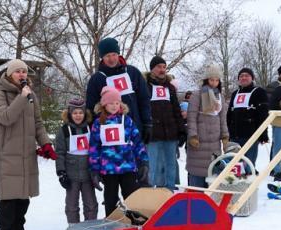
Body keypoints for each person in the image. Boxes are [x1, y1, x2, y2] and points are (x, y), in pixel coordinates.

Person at [0, 59, 55, 230]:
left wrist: (45, 143)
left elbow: (37, 122)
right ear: (10, 74)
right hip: (8, 153)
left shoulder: (31, 95)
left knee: (24, 197)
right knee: (9, 198)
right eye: (18, 71)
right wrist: (21, 97)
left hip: (26, 153)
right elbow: (5, 118)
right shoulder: (0, 94)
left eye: (24, 72)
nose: (22, 75)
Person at [89, 86, 149, 216]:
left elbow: (137, 141)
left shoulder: (126, 120)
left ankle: (134, 222)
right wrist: (94, 169)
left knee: (131, 197)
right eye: (111, 103)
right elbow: (94, 147)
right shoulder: (99, 123)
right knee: (110, 199)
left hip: (127, 167)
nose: (114, 106)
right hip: (109, 169)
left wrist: (144, 161)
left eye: (117, 103)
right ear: (104, 104)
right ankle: (111, 223)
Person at [84, 37, 152, 143]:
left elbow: (144, 99)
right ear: (102, 57)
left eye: (114, 55)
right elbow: (91, 107)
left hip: (135, 130)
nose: (111, 59)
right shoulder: (97, 79)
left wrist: (147, 123)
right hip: (110, 135)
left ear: (118, 54)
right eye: (107, 56)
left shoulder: (132, 72)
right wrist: (95, 130)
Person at [143, 56, 186, 191]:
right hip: (153, 135)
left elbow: (177, 111)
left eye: (164, 67)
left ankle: (169, 193)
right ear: (152, 69)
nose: (162, 70)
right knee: (152, 166)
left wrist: (181, 131)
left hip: (170, 135)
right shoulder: (145, 86)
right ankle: (150, 195)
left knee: (170, 166)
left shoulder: (170, 88)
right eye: (158, 67)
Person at [55, 98, 98, 225]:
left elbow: (96, 149)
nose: (78, 115)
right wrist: (61, 172)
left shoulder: (91, 128)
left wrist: (97, 170)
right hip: (71, 175)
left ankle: (90, 227)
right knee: (71, 204)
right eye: (74, 113)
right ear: (69, 114)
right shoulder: (63, 131)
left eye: (80, 112)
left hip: (88, 175)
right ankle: (73, 228)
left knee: (91, 204)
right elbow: (60, 153)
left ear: (85, 113)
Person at [186, 64, 229, 188]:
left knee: (212, 175)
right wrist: (193, 135)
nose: (214, 83)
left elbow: (222, 119)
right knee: (197, 175)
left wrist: (225, 136)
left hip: (214, 144)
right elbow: (192, 117)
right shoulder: (197, 95)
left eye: (217, 80)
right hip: (199, 143)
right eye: (211, 80)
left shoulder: (220, 97)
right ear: (206, 80)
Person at [227, 68, 269, 166]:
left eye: (247, 75)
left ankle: (250, 179)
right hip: (234, 135)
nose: (244, 78)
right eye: (241, 76)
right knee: (234, 164)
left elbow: (263, 114)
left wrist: (263, 133)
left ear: (252, 78)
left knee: (248, 163)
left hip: (251, 134)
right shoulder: (235, 93)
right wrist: (227, 131)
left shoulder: (259, 92)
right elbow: (229, 113)